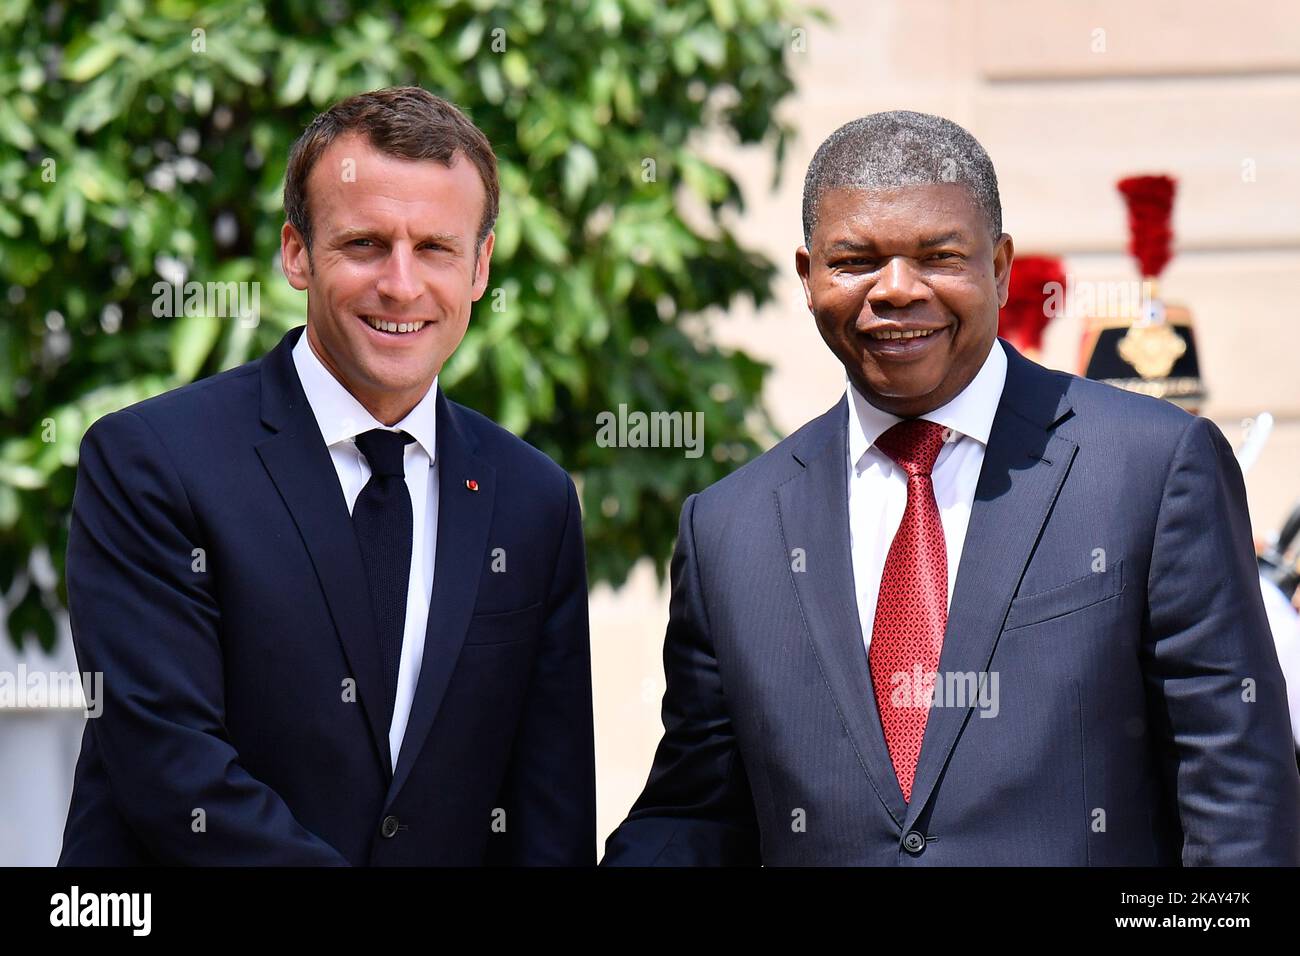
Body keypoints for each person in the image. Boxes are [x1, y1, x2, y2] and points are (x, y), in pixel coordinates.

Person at [603, 111, 1300, 865]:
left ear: (998, 267)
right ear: (807, 277)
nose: (896, 290)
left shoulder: (1153, 469)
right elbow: (697, 816)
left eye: (938, 256)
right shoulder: (729, 529)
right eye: (855, 260)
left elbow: (1238, 798)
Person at [58, 87, 595, 865]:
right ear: (297, 253)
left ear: (480, 267)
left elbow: (549, 811)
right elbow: (174, 775)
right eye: (366, 244)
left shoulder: (533, 500)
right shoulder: (150, 462)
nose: (402, 285)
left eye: (436, 248)